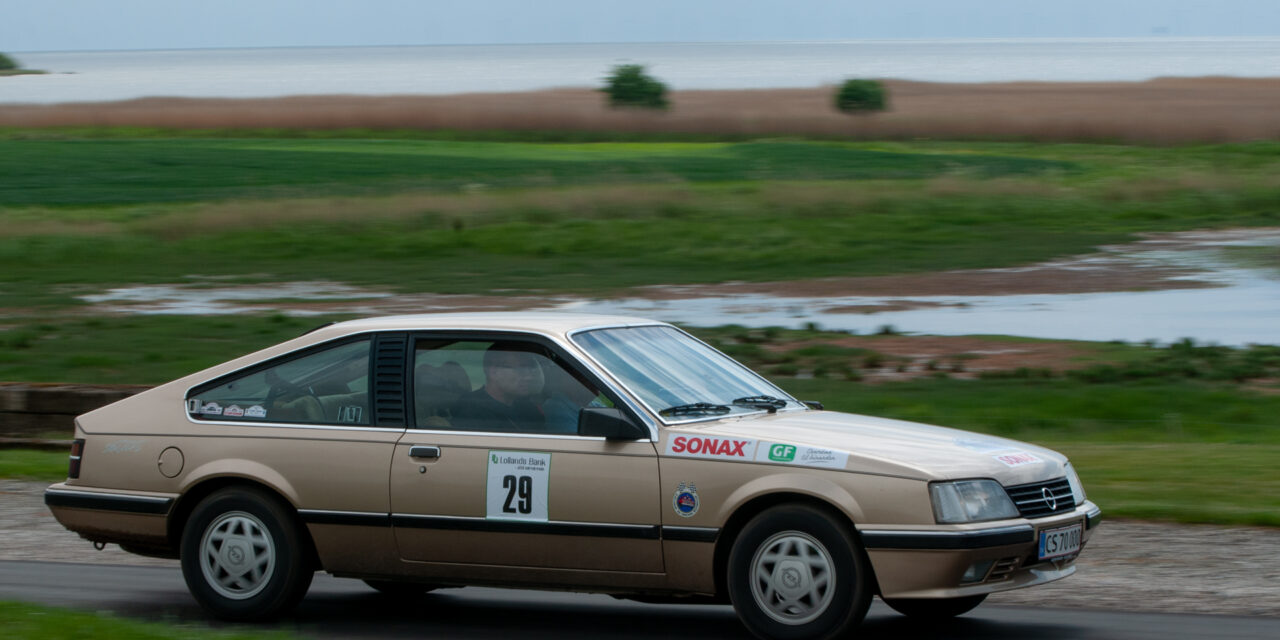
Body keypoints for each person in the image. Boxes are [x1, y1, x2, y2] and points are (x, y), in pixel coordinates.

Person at [452, 342, 546, 432]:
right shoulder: (471, 411)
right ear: (494, 372)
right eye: (520, 370)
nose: (529, 377)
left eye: (530, 369)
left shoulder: (527, 408)